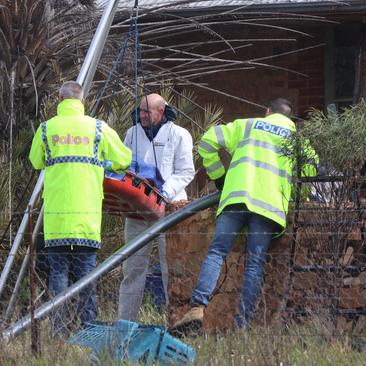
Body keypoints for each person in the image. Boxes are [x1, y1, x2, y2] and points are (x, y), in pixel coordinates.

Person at [170, 98, 305, 335]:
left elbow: (207, 142)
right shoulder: (296, 140)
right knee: (254, 264)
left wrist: (219, 177)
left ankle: (197, 308)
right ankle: (241, 327)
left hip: (236, 198)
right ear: (290, 119)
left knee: (217, 252)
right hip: (268, 207)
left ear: (267, 111)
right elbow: (310, 171)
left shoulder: (248, 125)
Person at [29, 81, 132, 336]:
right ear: (82, 101)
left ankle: (59, 331)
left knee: (58, 275)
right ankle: (89, 329)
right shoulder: (98, 128)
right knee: (86, 275)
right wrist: (105, 162)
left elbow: (35, 161)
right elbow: (124, 159)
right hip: (87, 219)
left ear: (59, 98)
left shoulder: (46, 129)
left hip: (57, 220)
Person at [117, 93, 195, 321]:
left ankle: (176, 322)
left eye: (147, 111)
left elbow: (186, 171)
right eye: (140, 110)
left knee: (171, 269)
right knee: (132, 269)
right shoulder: (131, 134)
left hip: (169, 210)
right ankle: (125, 323)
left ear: (161, 112)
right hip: (137, 211)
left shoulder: (179, 134)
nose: (141, 115)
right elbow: (124, 165)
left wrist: (163, 193)